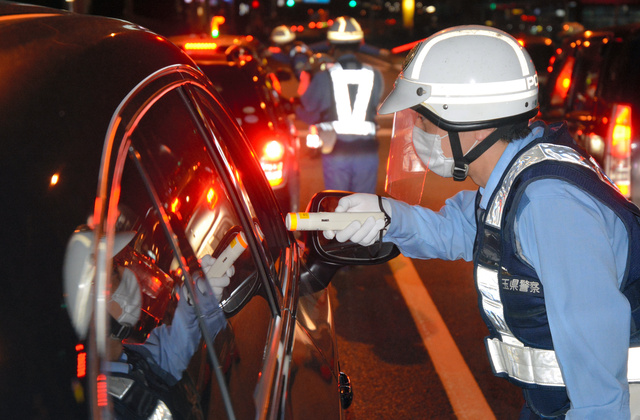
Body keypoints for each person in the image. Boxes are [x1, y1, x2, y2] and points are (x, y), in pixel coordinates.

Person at [323, 25, 640, 419]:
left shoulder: (549, 206)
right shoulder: (511, 179)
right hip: (552, 406)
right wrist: (387, 215)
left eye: (423, 121)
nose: (416, 133)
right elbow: (456, 230)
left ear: (470, 125)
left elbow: (601, 387)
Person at [63, 229, 232, 419]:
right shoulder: (99, 409)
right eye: (114, 272)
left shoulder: (131, 356)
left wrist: (197, 294)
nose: (128, 275)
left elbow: (172, 350)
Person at [295, 15, 384, 194]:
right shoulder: (375, 74)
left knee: (339, 206)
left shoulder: (323, 76)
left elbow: (308, 107)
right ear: (360, 44)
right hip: (367, 153)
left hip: (336, 153)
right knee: (364, 208)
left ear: (331, 45)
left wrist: (306, 75)